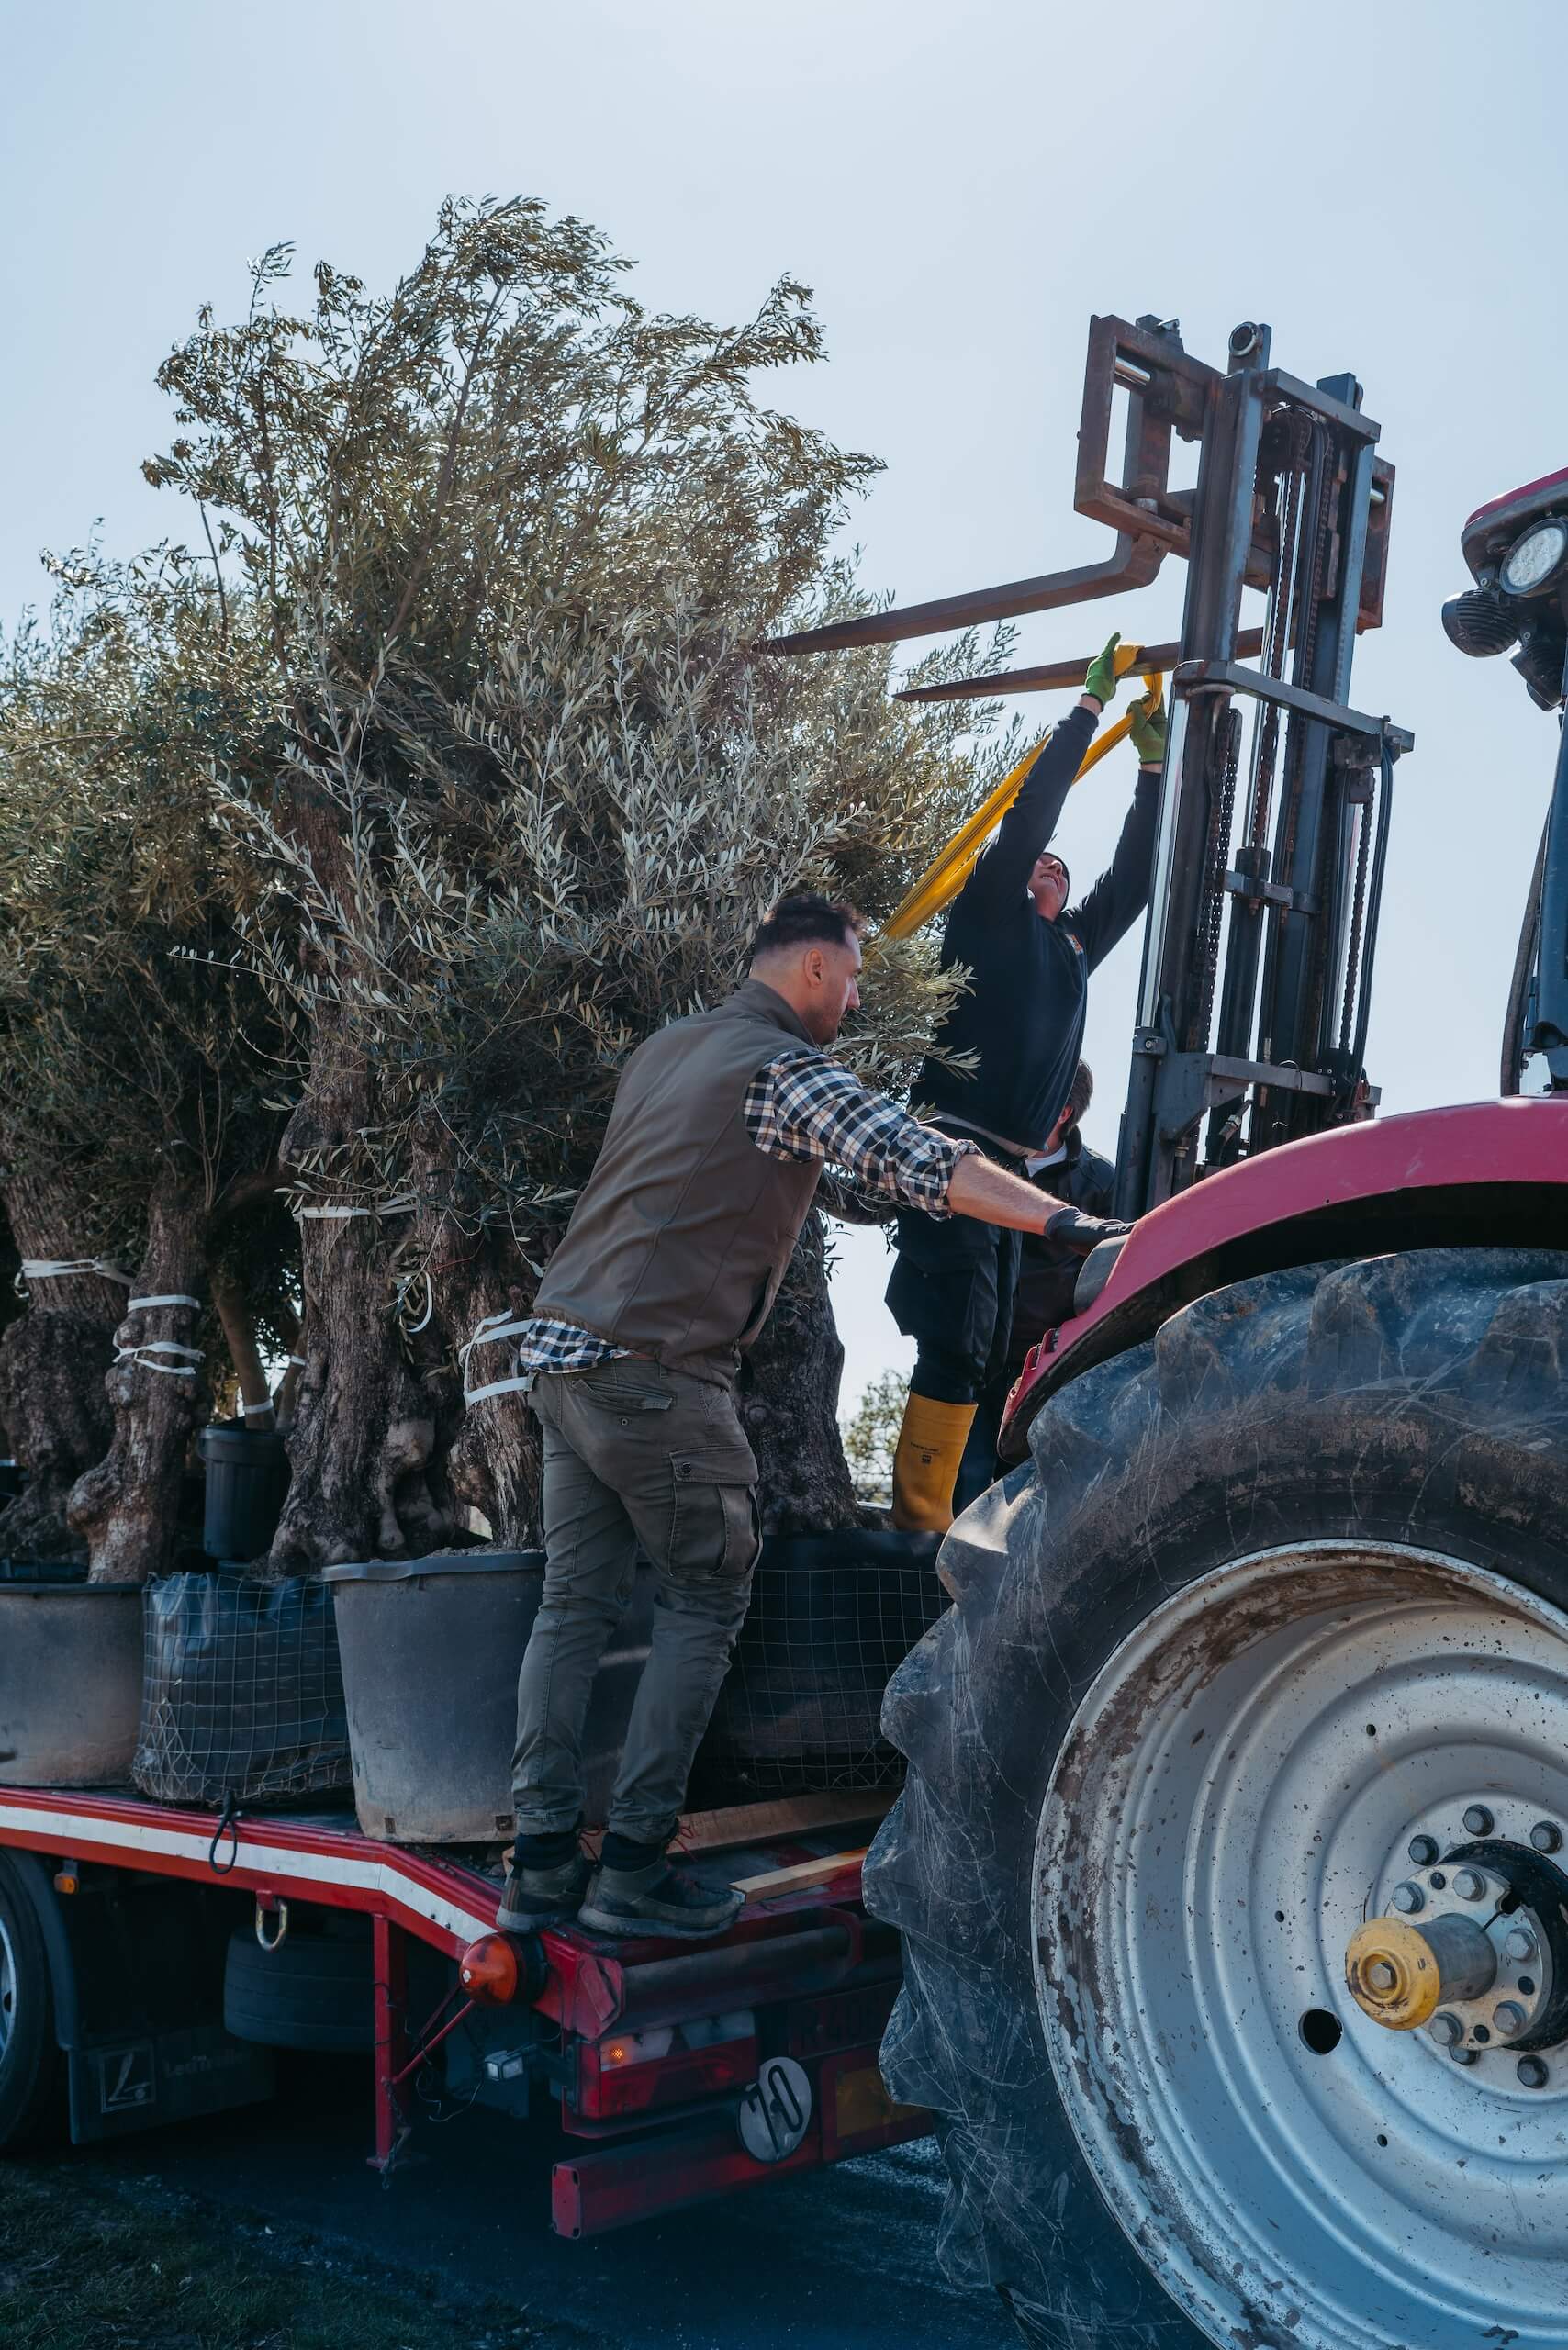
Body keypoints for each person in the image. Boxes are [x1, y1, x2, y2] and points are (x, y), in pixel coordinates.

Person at [495, 895, 1120, 1942]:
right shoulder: (786, 1069)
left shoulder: (670, 1050)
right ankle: (635, 1866)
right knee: (703, 1599)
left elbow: (748, 1175)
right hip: (658, 1372)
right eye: (858, 977)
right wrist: (1066, 1216)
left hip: (562, 1355)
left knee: (572, 1607)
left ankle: (542, 1865)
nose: (861, 997)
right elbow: (917, 1157)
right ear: (819, 971)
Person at [886, 632, 1162, 1532]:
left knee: (996, 1352)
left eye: (1061, 871)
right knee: (957, 1343)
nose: (1051, 867)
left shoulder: (1072, 949)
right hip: (952, 1153)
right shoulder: (982, 924)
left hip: (1006, 1172)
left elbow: (1134, 880)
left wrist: (1154, 769)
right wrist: (1087, 711)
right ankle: (918, 1521)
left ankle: (964, 1522)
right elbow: (1031, 816)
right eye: (1040, 866)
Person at [950, 1058, 1114, 1515]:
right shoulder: (985, 1163)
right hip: (974, 1349)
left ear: (1061, 1112)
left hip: (1043, 1360)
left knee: (1024, 1491)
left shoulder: (1102, 1180)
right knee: (961, 1480)